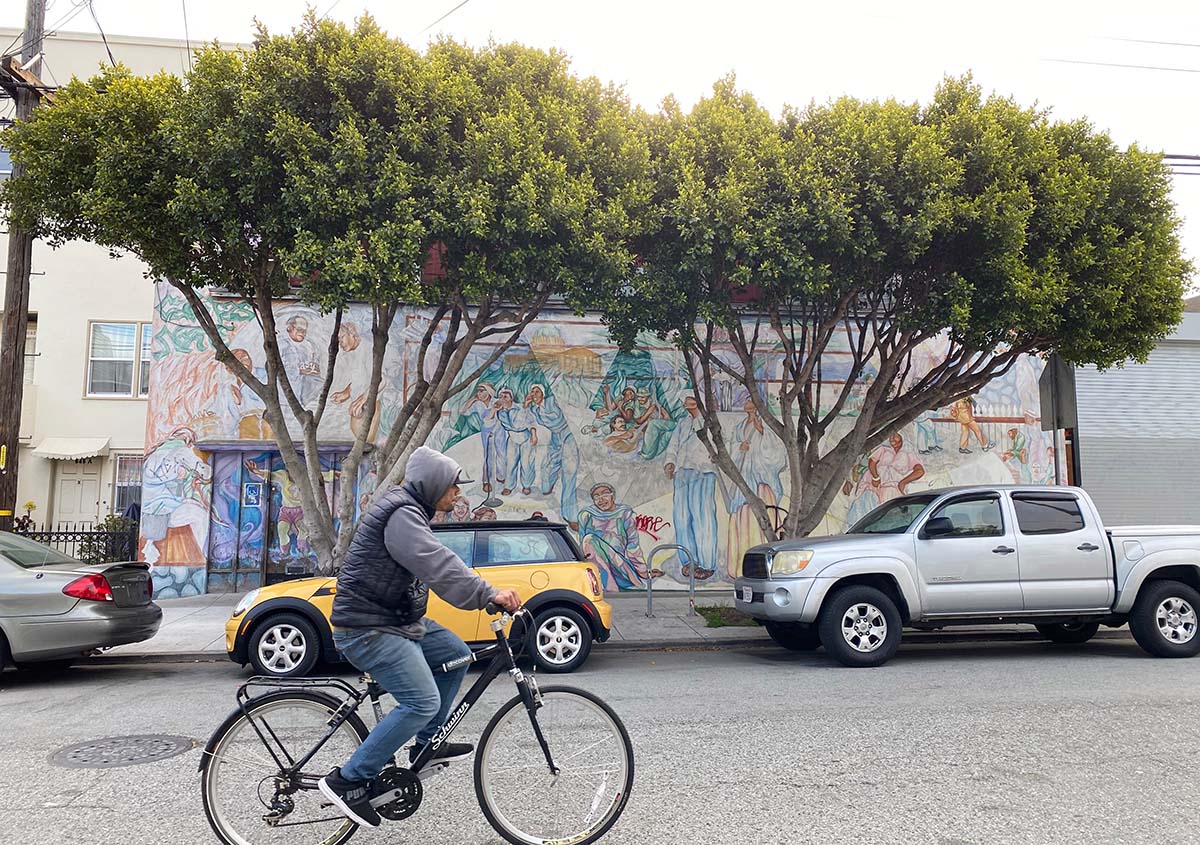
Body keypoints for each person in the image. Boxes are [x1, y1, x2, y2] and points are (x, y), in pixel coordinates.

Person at [319, 446, 521, 828]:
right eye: (453, 487)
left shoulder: (410, 510)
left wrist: (481, 591)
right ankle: (348, 780)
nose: (458, 494)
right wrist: (486, 593)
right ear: (432, 485)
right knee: (422, 700)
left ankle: (428, 742)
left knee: (455, 653)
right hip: (366, 627)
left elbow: (436, 557)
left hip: (394, 620)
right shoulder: (402, 514)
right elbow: (435, 561)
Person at [663, 396, 719, 580]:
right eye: (686, 400)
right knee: (681, 518)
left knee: (703, 517)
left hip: (703, 472)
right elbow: (673, 445)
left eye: (692, 399)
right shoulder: (682, 423)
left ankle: (707, 564)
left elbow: (721, 443)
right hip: (682, 472)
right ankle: (688, 561)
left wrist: (715, 456)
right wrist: (670, 462)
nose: (688, 403)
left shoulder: (711, 422)